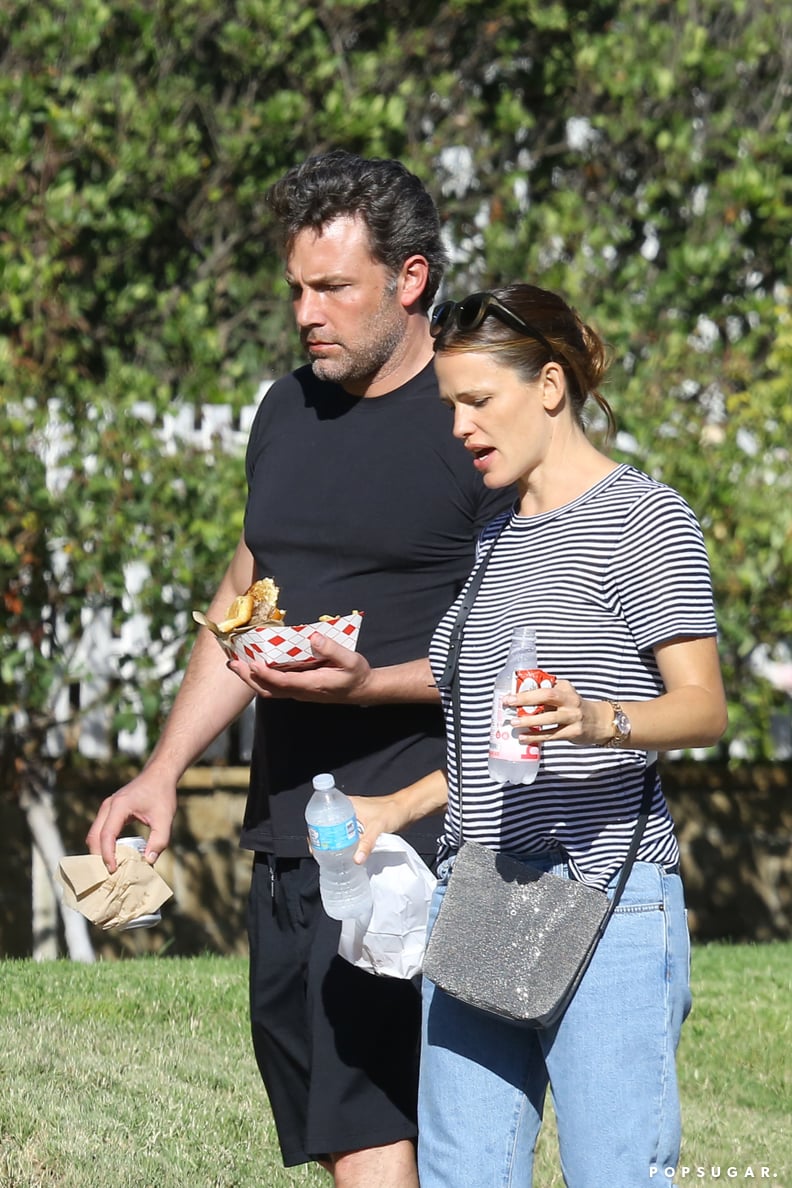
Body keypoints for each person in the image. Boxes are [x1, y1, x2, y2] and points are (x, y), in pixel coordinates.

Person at [86, 152, 511, 1187]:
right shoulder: (286, 409)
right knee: (324, 1103)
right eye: (296, 289)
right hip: (289, 832)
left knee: (365, 1111)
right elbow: (245, 605)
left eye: (334, 289)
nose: (307, 313)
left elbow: (524, 647)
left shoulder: (477, 420)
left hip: (416, 831)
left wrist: (370, 685)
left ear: (411, 281)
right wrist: (164, 768)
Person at [353, 284, 728, 1188]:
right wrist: (394, 808)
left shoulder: (644, 518)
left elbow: (706, 708)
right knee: (463, 1174)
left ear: (550, 385)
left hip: (608, 901)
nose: (461, 428)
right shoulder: (493, 532)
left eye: (478, 401)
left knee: (615, 1175)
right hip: (481, 894)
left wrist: (601, 719)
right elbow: (494, 736)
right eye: (451, 407)